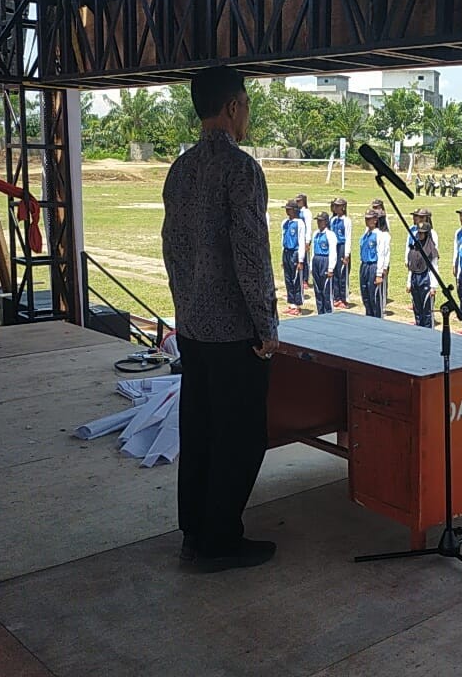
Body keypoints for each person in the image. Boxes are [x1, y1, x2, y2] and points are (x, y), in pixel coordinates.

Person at [161, 66, 277, 572]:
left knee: (201, 430)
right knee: (241, 436)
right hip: (234, 332)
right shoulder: (240, 169)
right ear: (232, 107)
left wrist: (185, 309)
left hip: (192, 327)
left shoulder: (180, 169)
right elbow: (251, 255)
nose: (248, 114)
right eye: (246, 104)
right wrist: (266, 325)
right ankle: (221, 539)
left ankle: (195, 533)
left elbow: (172, 251)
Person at [406, 221, 439, 328]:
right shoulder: (414, 246)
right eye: (419, 233)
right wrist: (409, 282)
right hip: (415, 279)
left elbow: (434, 267)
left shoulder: (431, 249)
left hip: (426, 279)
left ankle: (428, 332)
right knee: (417, 308)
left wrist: (433, 286)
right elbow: (411, 266)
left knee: (427, 311)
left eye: (423, 233)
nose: (420, 235)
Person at [358, 209, 390, 318]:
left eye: (369, 219)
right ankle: (369, 317)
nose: (367, 221)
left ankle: (377, 319)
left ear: (375, 220)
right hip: (364, 265)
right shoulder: (365, 234)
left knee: (374, 296)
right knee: (365, 294)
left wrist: (379, 274)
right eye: (366, 218)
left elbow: (381, 254)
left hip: (373, 266)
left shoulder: (379, 235)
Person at [279, 199, 307, 316]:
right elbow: (282, 239)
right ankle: (291, 303)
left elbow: (301, 241)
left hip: (295, 252)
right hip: (286, 252)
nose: (287, 211)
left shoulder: (299, 223)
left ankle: (298, 304)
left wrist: (300, 260)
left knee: (296, 279)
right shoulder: (285, 222)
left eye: (289, 209)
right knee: (288, 279)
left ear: (294, 210)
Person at [309, 212, 338, 315]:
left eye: (321, 221)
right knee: (317, 289)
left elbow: (333, 252)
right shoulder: (315, 234)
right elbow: (313, 250)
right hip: (316, 260)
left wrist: (330, 268)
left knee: (326, 290)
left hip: (325, 260)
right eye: (318, 221)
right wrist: (311, 266)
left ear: (326, 222)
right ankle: (320, 312)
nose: (319, 223)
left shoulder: (330, 235)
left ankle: (329, 312)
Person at [330, 198, 351, 308]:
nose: (336, 208)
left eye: (338, 206)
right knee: (335, 272)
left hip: (342, 246)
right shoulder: (333, 220)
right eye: (335, 206)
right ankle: (336, 296)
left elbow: (348, 237)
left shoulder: (346, 221)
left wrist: (346, 254)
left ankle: (344, 298)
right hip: (334, 247)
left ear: (343, 207)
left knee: (342, 273)